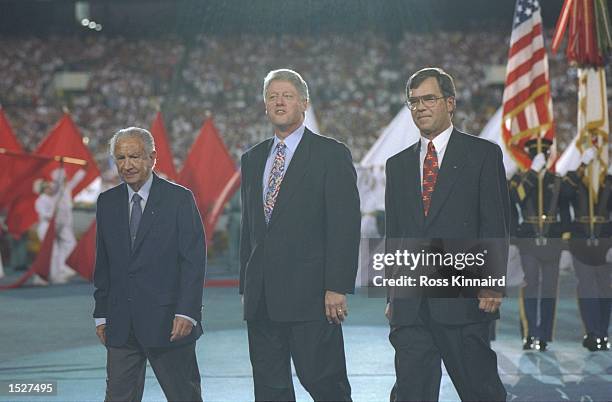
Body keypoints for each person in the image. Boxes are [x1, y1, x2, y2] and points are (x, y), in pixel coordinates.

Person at [384, 67, 509, 401]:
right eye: (413, 102)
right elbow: (395, 234)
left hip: (464, 298)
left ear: (450, 103)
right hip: (411, 302)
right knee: (411, 392)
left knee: (481, 390)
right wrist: (391, 293)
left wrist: (492, 281)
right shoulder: (395, 165)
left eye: (429, 98)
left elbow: (495, 224)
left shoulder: (483, 154)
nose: (420, 107)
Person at [239, 69, 361, 401]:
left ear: (304, 103)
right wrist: (245, 287)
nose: (279, 101)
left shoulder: (330, 154)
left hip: (312, 298)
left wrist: (337, 286)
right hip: (261, 299)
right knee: (269, 389)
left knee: (325, 384)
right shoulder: (251, 160)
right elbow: (249, 230)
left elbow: (345, 225)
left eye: (287, 95)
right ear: (265, 105)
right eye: (272, 96)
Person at [93, 127, 206, 402]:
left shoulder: (179, 199)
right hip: (121, 324)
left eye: (134, 156)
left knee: (184, 396)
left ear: (153, 157)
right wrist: (101, 313)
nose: (127, 165)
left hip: (169, 323)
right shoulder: (106, 202)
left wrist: (187, 313)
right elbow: (104, 264)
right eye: (120, 158)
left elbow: (193, 260)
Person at [509, 139, 565, 351]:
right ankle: (530, 333)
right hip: (529, 240)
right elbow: (515, 198)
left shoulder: (556, 180)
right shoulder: (520, 179)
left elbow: (566, 202)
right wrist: (532, 172)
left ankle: (544, 334)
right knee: (530, 286)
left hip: (552, 240)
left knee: (550, 289)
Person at [561, 147, 612, 351]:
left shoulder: (608, 181)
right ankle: (592, 332)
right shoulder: (576, 179)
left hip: (605, 242)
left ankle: (602, 332)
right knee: (587, 288)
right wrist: (582, 165)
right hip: (580, 241)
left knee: (605, 289)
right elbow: (563, 194)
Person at [33, 167, 84, 284]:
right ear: (43, 189)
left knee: (61, 249)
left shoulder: (53, 197)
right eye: (47, 187)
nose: (50, 188)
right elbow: (46, 215)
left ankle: (59, 272)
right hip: (46, 227)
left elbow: (64, 185)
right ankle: (48, 275)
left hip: (55, 226)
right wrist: (54, 212)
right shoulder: (40, 200)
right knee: (52, 252)